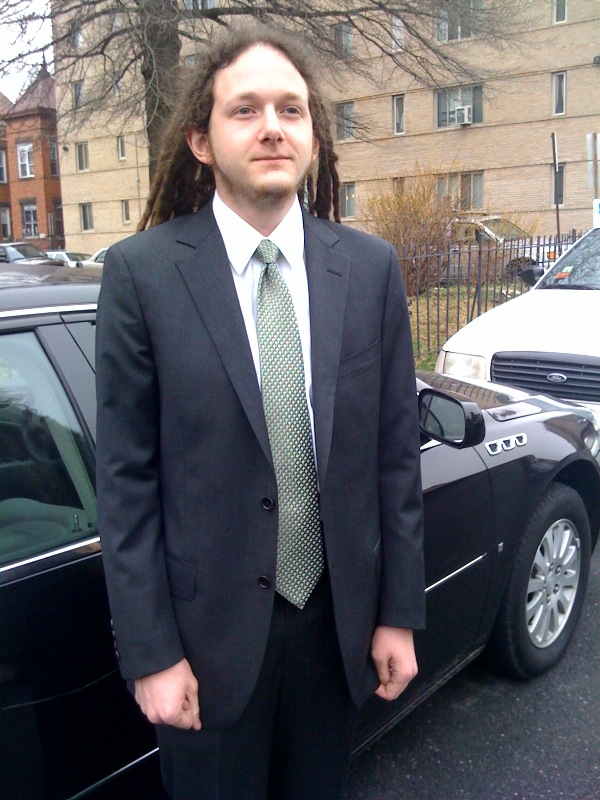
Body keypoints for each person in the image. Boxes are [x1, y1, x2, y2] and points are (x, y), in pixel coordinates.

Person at [96, 24, 425, 800]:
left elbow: (393, 457)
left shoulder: (369, 269)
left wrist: (398, 614)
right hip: (204, 651)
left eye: (291, 109)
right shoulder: (142, 276)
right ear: (201, 141)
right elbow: (126, 484)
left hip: (336, 629)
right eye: (245, 110)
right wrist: (151, 653)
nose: (272, 126)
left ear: (313, 135)